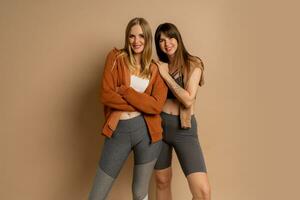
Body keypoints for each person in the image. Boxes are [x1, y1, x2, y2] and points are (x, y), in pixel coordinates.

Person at [88, 18, 167, 200]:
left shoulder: (155, 69)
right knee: (97, 195)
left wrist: (126, 93)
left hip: (148, 134)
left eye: (141, 36)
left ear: (147, 38)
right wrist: (142, 103)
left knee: (140, 193)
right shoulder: (115, 58)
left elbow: (156, 106)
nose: (136, 41)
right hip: (119, 132)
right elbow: (106, 95)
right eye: (131, 36)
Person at [153, 23, 211, 200]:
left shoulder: (194, 64)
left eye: (170, 38)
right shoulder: (157, 66)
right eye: (161, 40)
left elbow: (187, 99)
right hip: (159, 127)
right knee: (162, 181)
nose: (167, 43)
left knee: (203, 193)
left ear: (177, 38)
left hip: (184, 130)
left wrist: (165, 75)